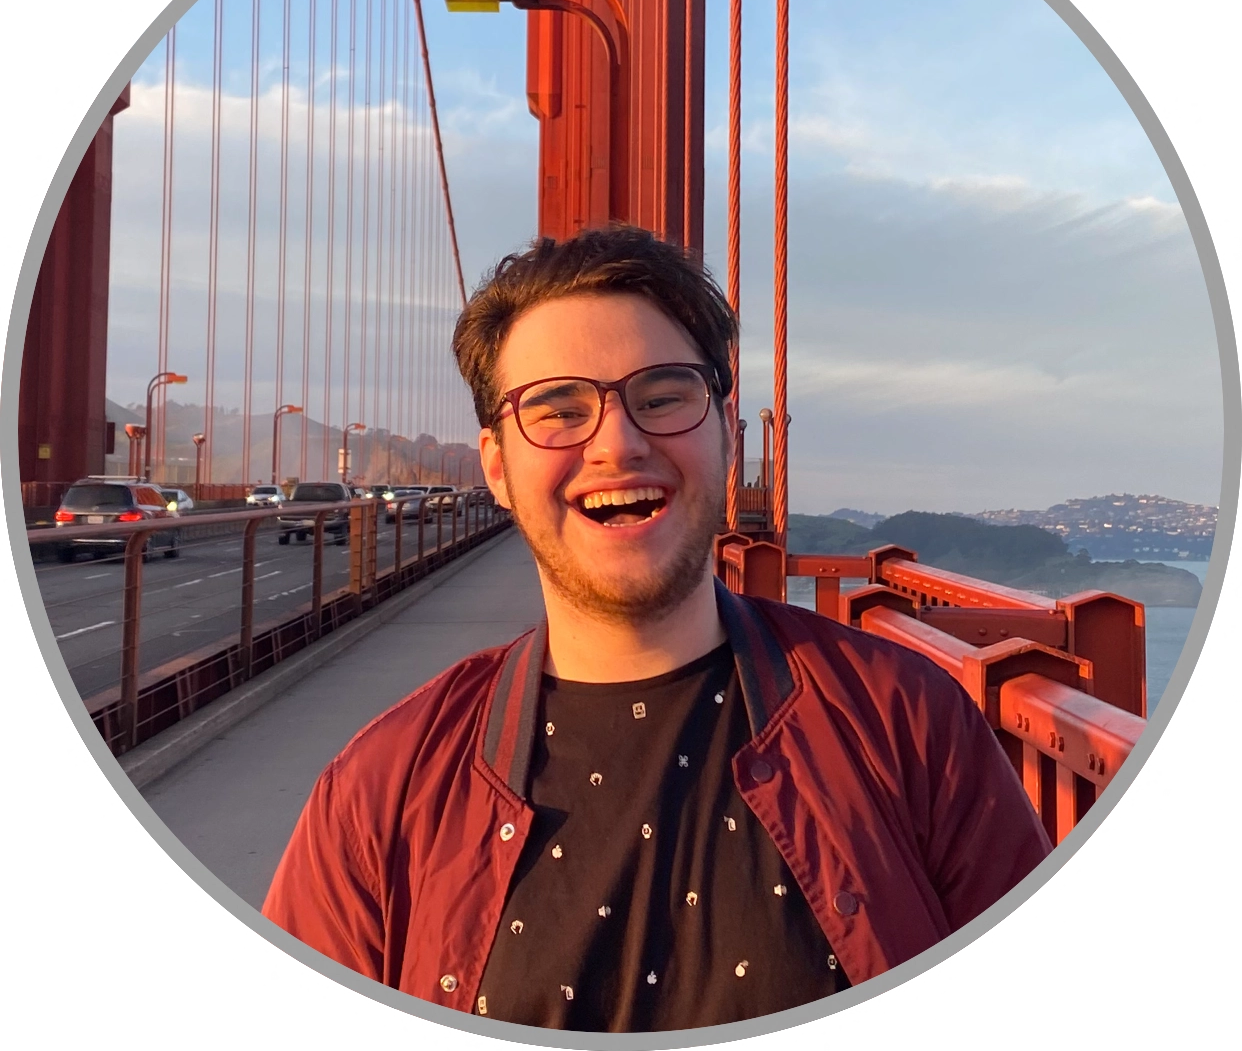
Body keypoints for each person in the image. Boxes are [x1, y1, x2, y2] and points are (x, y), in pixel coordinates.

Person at [262, 225, 1051, 1032]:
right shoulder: (377, 797)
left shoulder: (907, 723)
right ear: (496, 469)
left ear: (726, 434)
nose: (618, 443)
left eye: (664, 395)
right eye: (557, 409)